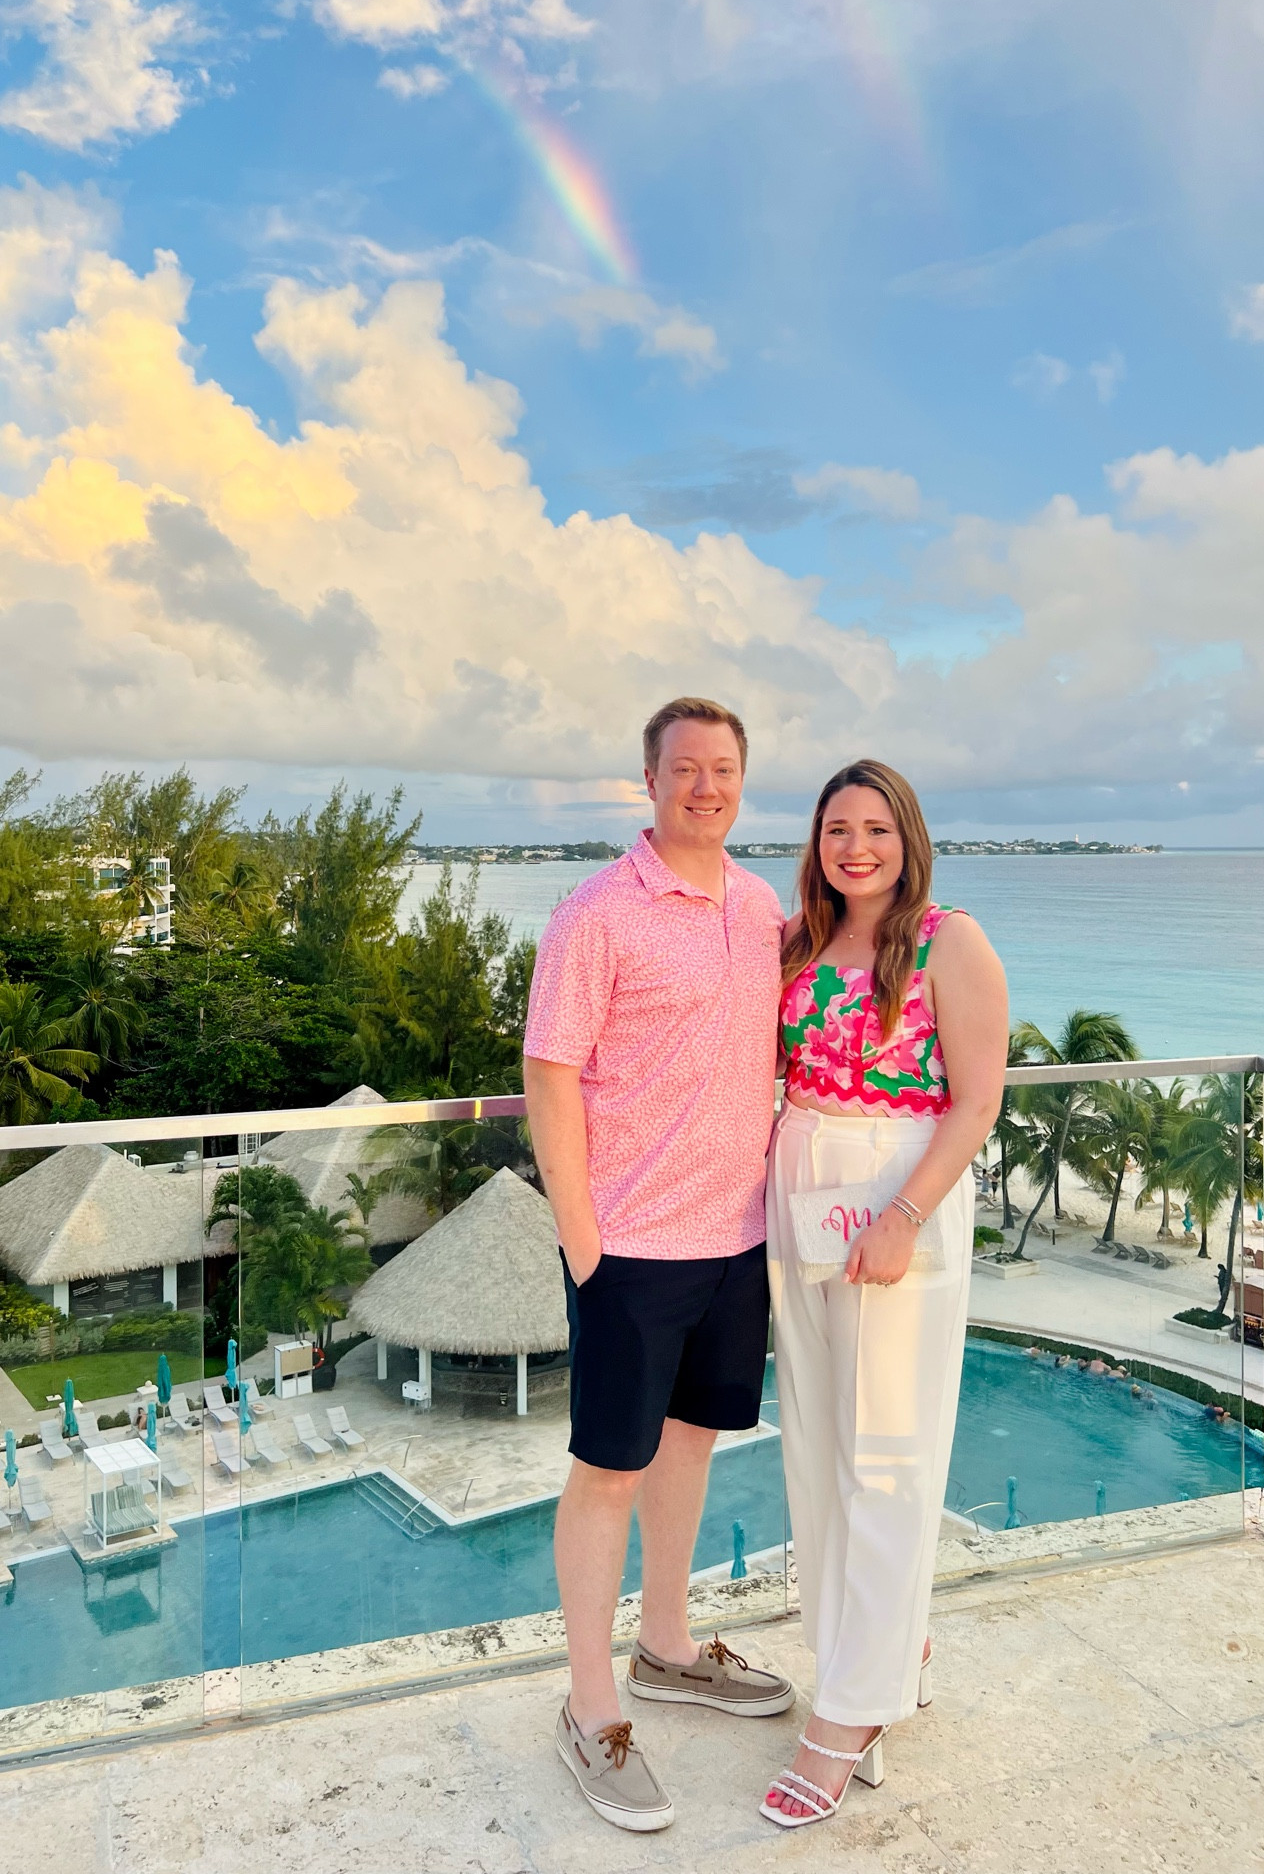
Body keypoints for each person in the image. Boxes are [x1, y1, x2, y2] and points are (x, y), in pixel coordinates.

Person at [523, 696, 795, 1834]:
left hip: (737, 1239)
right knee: (608, 1470)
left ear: (741, 780)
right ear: (649, 780)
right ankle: (590, 1707)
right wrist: (583, 1241)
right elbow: (549, 1073)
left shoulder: (760, 905)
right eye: (685, 768)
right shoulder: (596, 915)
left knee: (691, 1446)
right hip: (630, 1248)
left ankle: (668, 1647)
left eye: (722, 768)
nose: (705, 786)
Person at [760, 759, 1007, 1830]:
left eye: (874, 828)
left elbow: (977, 1101)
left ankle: (852, 1710)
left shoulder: (952, 942)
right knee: (818, 1444)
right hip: (800, 1185)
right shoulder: (796, 942)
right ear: (815, 842)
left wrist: (903, 1214)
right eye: (836, 829)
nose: (854, 848)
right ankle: (884, 1652)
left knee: (887, 1453)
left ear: (908, 838)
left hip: (897, 1189)